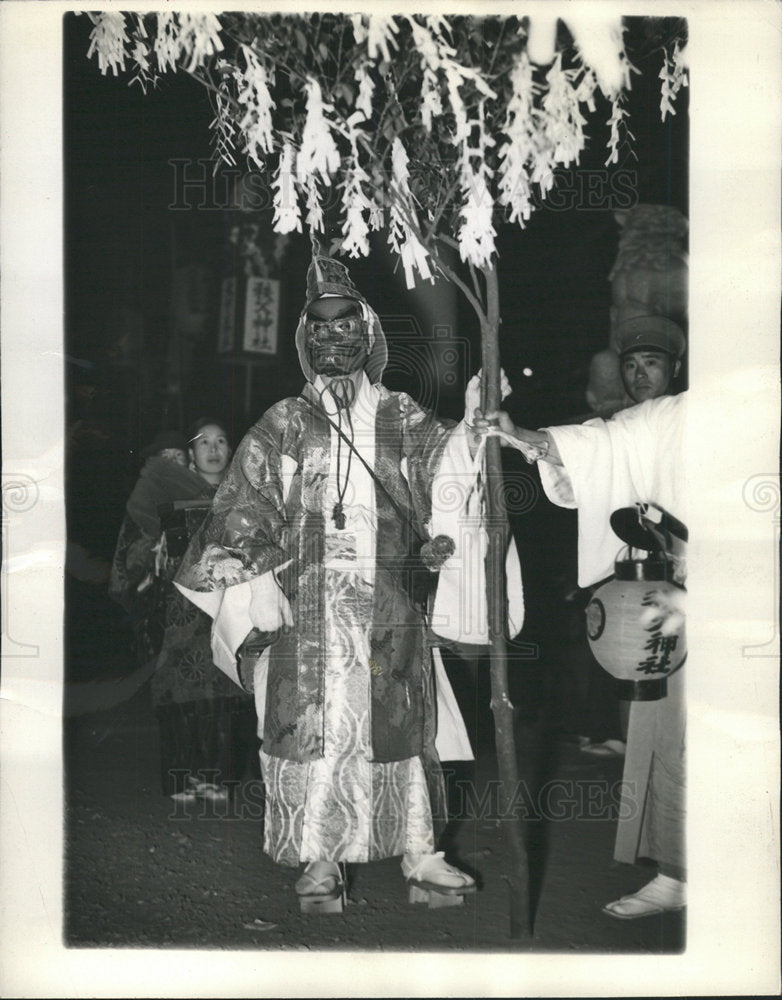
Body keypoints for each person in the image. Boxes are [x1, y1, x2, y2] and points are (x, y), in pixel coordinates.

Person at [175, 252, 520, 911]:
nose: (334, 341)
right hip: (307, 612)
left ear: (369, 337)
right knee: (316, 734)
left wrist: (477, 425)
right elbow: (245, 507)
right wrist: (244, 573)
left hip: (389, 606)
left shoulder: (400, 415)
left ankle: (422, 855)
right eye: (320, 330)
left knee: (404, 731)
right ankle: (320, 864)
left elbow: (449, 473)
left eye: (347, 328)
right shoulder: (281, 422)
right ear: (305, 343)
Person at [473, 314, 686, 920]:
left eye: (654, 363)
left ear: (676, 369)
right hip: (662, 596)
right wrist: (522, 435)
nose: (640, 373)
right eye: (632, 363)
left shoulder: (713, 409)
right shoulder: (644, 423)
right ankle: (675, 871)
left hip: (737, 593)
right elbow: (595, 446)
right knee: (663, 729)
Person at [110, 421, 254, 802]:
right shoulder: (167, 493)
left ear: (231, 449)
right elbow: (137, 546)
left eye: (221, 441)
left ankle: (217, 777)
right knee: (178, 692)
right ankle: (180, 776)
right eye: (203, 443)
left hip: (227, 608)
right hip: (179, 613)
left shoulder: (245, 494)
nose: (213, 449)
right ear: (191, 455)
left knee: (225, 692)